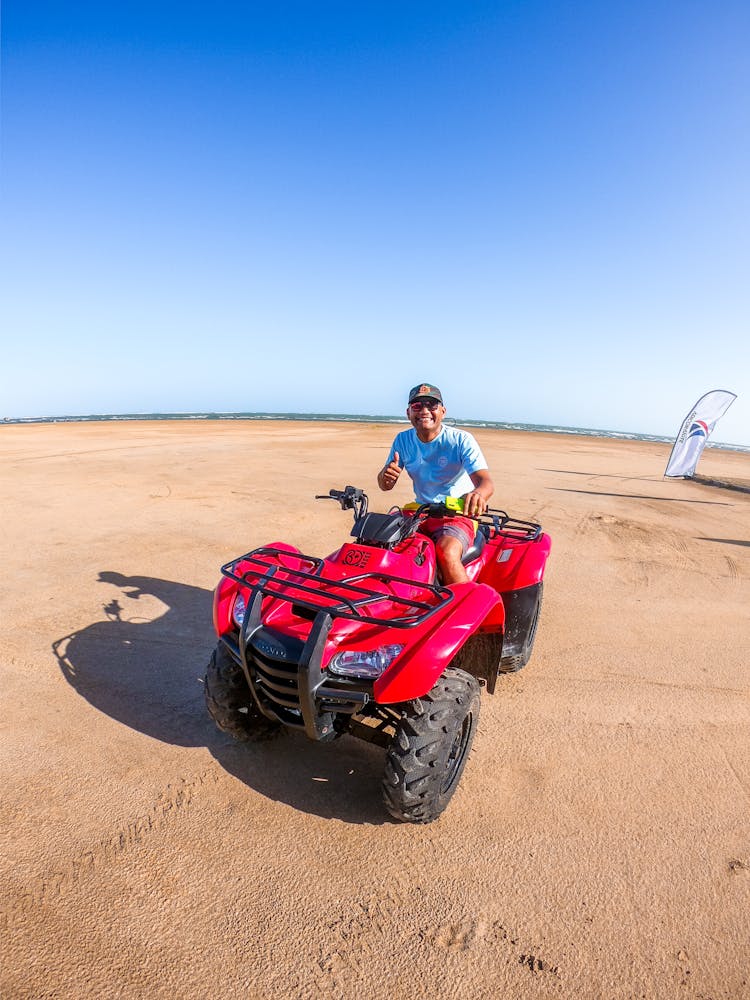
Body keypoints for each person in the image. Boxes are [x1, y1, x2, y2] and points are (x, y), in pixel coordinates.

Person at [377, 383, 494, 584]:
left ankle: (466, 606)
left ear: (442, 411)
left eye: (431, 405)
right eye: (417, 406)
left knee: (446, 552)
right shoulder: (402, 440)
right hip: (419, 511)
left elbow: (486, 482)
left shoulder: (460, 440)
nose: (424, 411)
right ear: (408, 412)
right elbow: (384, 484)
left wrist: (478, 495)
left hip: (455, 514)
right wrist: (386, 477)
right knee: (377, 540)